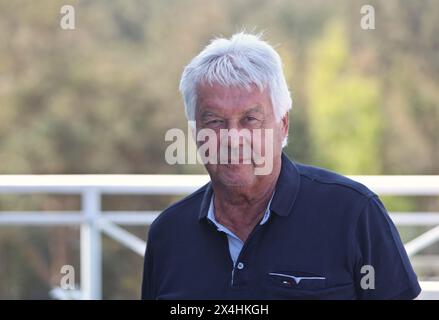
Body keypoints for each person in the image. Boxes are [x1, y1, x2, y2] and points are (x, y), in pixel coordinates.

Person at [141, 32, 421, 299]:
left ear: (283, 125)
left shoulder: (355, 214)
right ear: (195, 132)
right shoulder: (168, 234)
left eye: (251, 119)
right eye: (215, 121)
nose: (234, 139)